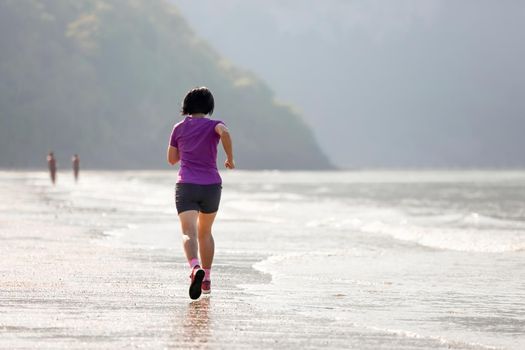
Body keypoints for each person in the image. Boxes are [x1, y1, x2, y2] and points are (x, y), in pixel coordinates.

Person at [167, 87, 235, 300]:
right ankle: (206, 278)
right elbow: (225, 133)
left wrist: (187, 148)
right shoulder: (215, 125)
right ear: (209, 107)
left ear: (186, 105)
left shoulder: (178, 128)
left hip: (187, 184)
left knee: (189, 232)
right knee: (205, 232)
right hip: (211, 186)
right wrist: (229, 158)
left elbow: (171, 159)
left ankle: (195, 267)